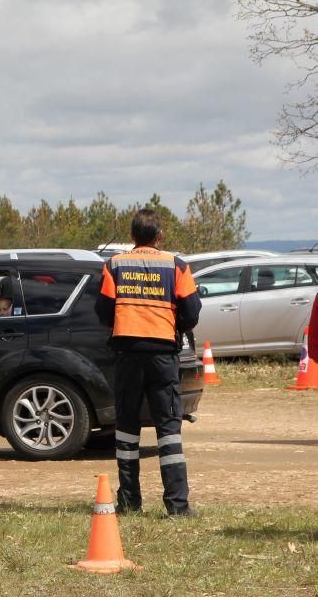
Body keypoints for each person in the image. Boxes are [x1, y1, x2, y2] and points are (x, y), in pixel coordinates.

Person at [94, 209, 202, 517]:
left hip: (127, 354)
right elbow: (192, 312)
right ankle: (177, 506)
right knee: (168, 428)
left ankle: (129, 501)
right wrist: (174, 324)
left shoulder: (114, 265)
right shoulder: (177, 266)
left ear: (132, 237)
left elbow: (103, 312)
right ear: (160, 236)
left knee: (127, 429)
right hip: (162, 355)